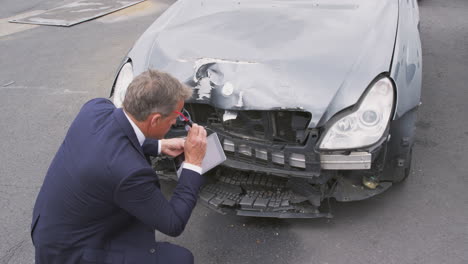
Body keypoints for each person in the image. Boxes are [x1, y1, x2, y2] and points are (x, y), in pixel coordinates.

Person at [31, 69, 207, 264]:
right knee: (180, 259)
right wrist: (193, 163)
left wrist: (159, 145)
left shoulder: (95, 109)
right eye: (176, 116)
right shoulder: (129, 173)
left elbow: (116, 134)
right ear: (155, 119)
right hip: (72, 252)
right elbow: (173, 223)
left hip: (54, 227)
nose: (177, 120)